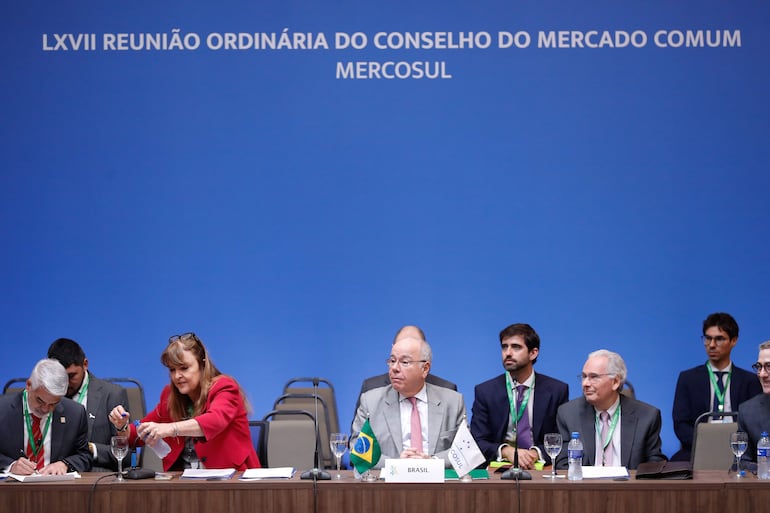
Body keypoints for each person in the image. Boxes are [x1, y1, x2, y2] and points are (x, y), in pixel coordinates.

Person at [109, 332, 259, 471]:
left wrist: (171, 428)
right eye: (172, 370)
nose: (177, 376)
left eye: (184, 368)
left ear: (202, 364)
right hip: (183, 483)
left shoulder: (225, 386)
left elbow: (215, 420)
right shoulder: (169, 395)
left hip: (233, 481)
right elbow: (136, 435)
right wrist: (122, 426)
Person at [351, 336, 466, 468]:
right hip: (389, 480)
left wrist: (432, 462)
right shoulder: (370, 401)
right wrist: (397, 465)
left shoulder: (453, 402)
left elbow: (464, 450)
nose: (394, 368)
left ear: (425, 369)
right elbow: (358, 450)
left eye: (404, 362)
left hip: (438, 480)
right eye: (392, 361)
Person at [470, 323, 569, 469]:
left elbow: (562, 439)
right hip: (499, 468)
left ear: (533, 353)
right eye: (504, 347)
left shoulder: (556, 390)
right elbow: (477, 441)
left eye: (516, 347)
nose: (508, 353)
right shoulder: (486, 391)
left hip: (540, 467)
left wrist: (535, 453)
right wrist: (505, 451)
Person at [671, 312, 762, 461]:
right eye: (708, 338)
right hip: (698, 449)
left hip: (739, 450)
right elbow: (680, 424)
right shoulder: (688, 378)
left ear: (734, 340)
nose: (712, 345)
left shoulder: (750, 381)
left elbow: (756, 423)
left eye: (719, 339)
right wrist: (706, 444)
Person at [555, 349, 666, 470]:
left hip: (627, 482)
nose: (585, 383)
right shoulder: (569, 414)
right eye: (584, 376)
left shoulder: (647, 416)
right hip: (585, 481)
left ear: (616, 382)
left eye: (594, 377)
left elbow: (654, 464)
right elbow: (563, 464)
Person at [47, 337, 129, 471]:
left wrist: (90, 448)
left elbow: (126, 454)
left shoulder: (112, 395)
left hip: (93, 474)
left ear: (85, 364)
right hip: (52, 472)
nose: (65, 383)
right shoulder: (43, 397)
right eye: (59, 377)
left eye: (71, 376)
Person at [351, 325, 457, 429]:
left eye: (405, 361)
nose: (395, 368)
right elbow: (358, 439)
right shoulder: (371, 393)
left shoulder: (448, 395)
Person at [0, 358, 91, 474]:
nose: (45, 409)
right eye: (40, 400)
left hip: (56, 484)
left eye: (53, 404)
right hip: (13, 484)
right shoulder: (2, 409)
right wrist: (11, 466)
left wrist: (65, 464)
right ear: (29, 385)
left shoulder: (75, 413)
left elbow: (85, 456)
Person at [737, 341, 770, 462]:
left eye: (769, 366)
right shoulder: (748, 411)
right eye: (759, 367)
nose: (762, 374)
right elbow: (742, 462)